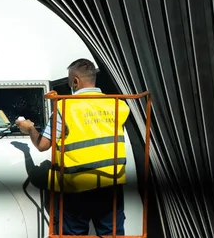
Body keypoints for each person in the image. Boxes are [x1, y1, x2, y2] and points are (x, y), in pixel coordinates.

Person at [15, 58, 130, 236]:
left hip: (77, 187)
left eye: (69, 81)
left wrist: (30, 128)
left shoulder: (65, 107)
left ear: (75, 81)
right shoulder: (117, 104)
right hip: (111, 183)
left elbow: (43, 145)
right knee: (112, 233)